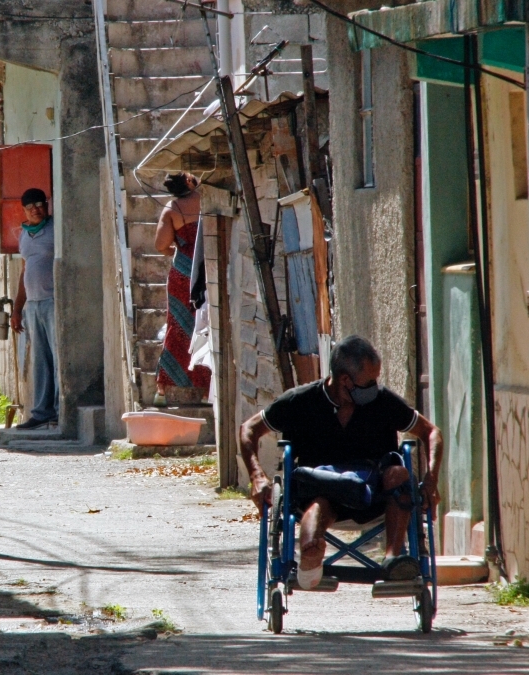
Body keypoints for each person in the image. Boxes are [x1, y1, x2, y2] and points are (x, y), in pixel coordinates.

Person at [239, 335, 443, 588]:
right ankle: (311, 553)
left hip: (373, 492)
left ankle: (394, 560)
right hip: (322, 490)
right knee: (317, 506)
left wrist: (431, 479)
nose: (374, 386)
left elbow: (431, 432)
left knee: (399, 474)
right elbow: (249, 429)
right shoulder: (300, 401)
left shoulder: (382, 401)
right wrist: (257, 476)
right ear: (345, 380)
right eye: (369, 381)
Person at [153, 172, 211, 406]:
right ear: (188, 182)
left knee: (177, 326)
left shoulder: (172, 208)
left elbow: (160, 245)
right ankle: (208, 391)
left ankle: (162, 389)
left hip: (183, 273)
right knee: (206, 326)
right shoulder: (206, 199)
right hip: (207, 269)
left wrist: (177, 249)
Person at [10, 188, 59, 430]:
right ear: (24, 211)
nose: (36, 210)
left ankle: (61, 412)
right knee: (41, 360)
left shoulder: (55, 229)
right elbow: (24, 272)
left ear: (47, 205)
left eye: (40, 205)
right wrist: (18, 309)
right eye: (30, 207)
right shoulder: (24, 236)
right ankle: (41, 412)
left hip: (53, 302)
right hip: (34, 305)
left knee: (58, 358)